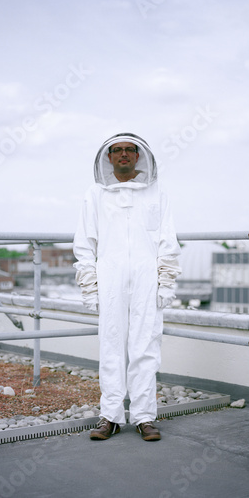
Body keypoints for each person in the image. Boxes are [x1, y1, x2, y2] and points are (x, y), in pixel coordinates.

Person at [73, 132, 181, 441]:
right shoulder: (95, 195)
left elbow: (167, 241)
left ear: (138, 155)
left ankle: (145, 417)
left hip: (148, 280)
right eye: (117, 150)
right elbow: (85, 244)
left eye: (129, 150)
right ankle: (110, 417)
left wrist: (165, 283)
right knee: (110, 347)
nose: (123, 155)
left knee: (145, 348)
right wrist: (90, 287)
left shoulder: (157, 193)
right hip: (110, 280)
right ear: (108, 157)